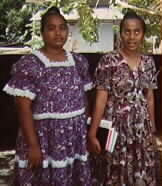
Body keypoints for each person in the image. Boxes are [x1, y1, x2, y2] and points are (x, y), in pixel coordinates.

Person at [3, 6, 93, 186]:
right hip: (44, 139)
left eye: (62, 28)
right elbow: (22, 107)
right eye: (51, 28)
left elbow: (85, 99)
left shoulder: (79, 62)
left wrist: (85, 130)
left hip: (73, 139)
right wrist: (33, 145)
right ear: (42, 32)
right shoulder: (30, 64)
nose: (58, 33)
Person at [88, 11, 159, 186]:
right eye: (127, 31)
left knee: (141, 172)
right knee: (115, 173)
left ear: (143, 35)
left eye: (137, 32)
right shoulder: (109, 61)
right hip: (116, 129)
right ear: (120, 33)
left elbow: (149, 97)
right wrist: (92, 133)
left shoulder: (148, 63)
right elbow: (101, 99)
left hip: (142, 129)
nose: (131, 37)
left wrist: (153, 129)